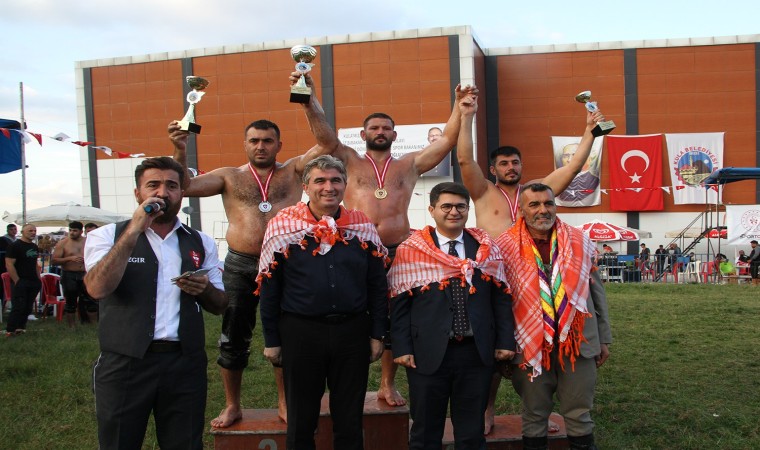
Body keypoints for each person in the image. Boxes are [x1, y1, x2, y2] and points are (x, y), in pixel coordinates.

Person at [295, 72, 472, 407]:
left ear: (394, 134)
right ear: (363, 135)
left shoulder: (409, 164)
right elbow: (325, 136)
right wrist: (309, 98)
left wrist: (458, 105)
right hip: (355, 248)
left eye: (386, 128)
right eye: (374, 128)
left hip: (397, 249)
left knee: (394, 315)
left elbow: (447, 140)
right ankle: (342, 380)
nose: (380, 132)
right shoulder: (348, 160)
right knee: (351, 312)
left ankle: (387, 384)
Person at [169, 97, 333, 426]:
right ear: (245, 144)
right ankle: (233, 405)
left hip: (286, 263)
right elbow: (183, 187)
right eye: (254, 140)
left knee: (287, 335)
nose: (261, 146)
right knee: (232, 336)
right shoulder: (228, 176)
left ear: (278, 145)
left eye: (267, 140)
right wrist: (180, 149)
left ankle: (285, 402)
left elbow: (327, 144)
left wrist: (307, 103)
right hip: (241, 265)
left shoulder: (294, 170)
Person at [456, 87, 605, 433]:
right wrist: (466, 116)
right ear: (492, 169)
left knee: (545, 337)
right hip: (498, 278)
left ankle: (542, 409)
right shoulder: (482, 191)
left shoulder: (537, 191)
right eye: (504, 163)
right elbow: (464, 160)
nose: (511, 168)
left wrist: (590, 131)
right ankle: (488, 408)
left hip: (541, 280)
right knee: (495, 348)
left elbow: (574, 166)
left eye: (515, 163)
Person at [84, 156, 227, 449]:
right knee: (118, 442)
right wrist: (134, 230)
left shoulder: (201, 241)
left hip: (184, 363)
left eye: (172, 186)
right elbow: (97, 288)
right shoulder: (106, 235)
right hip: (125, 362)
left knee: (185, 443)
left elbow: (220, 304)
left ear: (181, 193)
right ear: (138, 193)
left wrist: (205, 290)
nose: (163, 193)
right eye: (153, 185)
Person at [259, 155, 388, 450]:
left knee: (350, 418)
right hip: (301, 332)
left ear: (345, 185)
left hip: (352, 333)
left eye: (335, 180)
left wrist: (377, 333)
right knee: (301, 419)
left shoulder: (362, 227)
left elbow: (377, 285)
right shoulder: (282, 227)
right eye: (320, 180)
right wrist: (272, 339)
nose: (328, 187)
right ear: (306, 187)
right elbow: (269, 287)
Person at [389, 181, 515, 450]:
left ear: (468, 210)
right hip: (426, 353)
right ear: (432, 210)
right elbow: (399, 303)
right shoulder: (411, 250)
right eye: (446, 206)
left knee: (471, 434)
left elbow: (501, 298)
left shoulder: (485, 248)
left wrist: (505, 341)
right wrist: (401, 347)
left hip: (475, 353)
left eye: (460, 206)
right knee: (425, 432)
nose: (454, 212)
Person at [496, 183, 612, 450]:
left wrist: (604, 338)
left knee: (579, 413)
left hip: (578, 343)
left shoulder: (580, 240)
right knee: (534, 414)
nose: (543, 210)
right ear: (521, 210)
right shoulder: (503, 246)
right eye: (534, 205)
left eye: (548, 203)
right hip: (528, 346)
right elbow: (498, 302)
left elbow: (597, 293)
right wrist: (501, 345)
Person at [52, 221, 98, 326]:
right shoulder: (63, 243)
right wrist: (69, 258)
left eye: (75, 230)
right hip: (69, 274)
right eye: (70, 230)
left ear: (81, 231)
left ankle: (94, 325)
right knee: (70, 301)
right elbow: (54, 261)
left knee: (91, 300)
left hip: (85, 274)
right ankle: (71, 326)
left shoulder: (88, 242)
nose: (72, 233)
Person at [4, 224, 41, 336]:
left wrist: (38, 278)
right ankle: (11, 330)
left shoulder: (34, 246)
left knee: (28, 307)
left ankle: (20, 328)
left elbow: (35, 264)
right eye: (30, 230)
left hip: (33, 281)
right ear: (23, 232)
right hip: (21, 280)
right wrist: (17, 280)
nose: (33, 233)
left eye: (34, 231)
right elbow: (9, 264)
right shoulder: (15, 246)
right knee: (19, 306)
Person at [0, 223, 18, 307]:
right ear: (7, 230)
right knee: (3, 284)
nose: (14, 231)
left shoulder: (16, 240)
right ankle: (2, 303)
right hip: (3, 266)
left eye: (15, 229)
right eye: (11, 229)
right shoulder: (3, 239)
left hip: (14, 266)